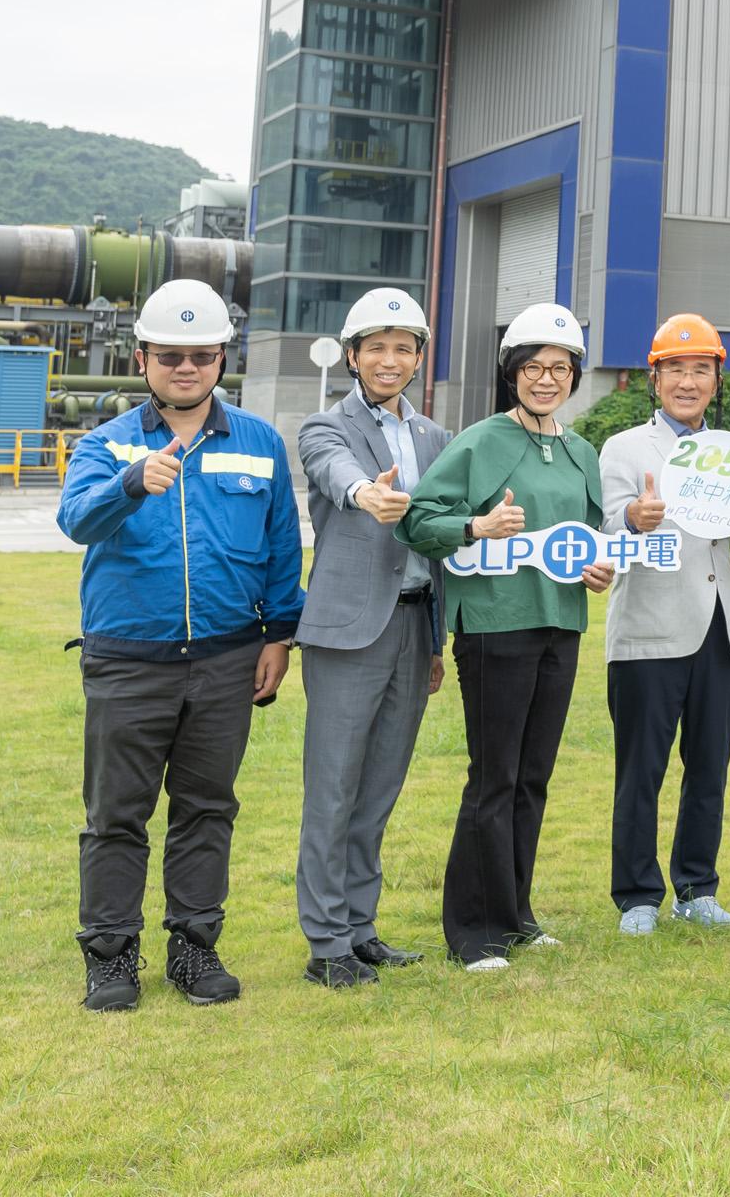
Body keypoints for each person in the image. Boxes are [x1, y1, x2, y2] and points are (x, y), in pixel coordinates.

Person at [57, 279, 302, 1011]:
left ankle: (195, 950)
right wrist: (131, 483)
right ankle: (110, 956)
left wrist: (281, 633)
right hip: (128, 661)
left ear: (223, 357)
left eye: (201, 355)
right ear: (143, 358)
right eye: (170, 356)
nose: (186, 368)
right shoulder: (106, 445)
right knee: (116, 814)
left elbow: (281, 548)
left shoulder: (259, 443)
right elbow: (77, 520)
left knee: (207, 808)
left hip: (229, 659)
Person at [397, 302, 613, 972]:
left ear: (574, 376)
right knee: (494, 779)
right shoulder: (482, 442)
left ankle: (517, 915)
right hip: (495, 626)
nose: (545, 380)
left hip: (561, 624)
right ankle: (473, 932)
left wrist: (600, 568)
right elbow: (419, 520)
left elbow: (591, 540)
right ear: (511, 374)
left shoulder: (581, 452)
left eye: (559, 368)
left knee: (533, 778)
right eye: (532, 368)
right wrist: (475, 528)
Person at [598, 312, 730, 937]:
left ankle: (697, 888)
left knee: (709, 768)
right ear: (655, 378)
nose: (688, 381)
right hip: (649, 628)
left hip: (720, 629)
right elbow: (605, 532)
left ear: (716, 380)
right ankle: (638, 896)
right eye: (676, 368)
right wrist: (632, 518)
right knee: (640, 769)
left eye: (701, 369)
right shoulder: (624, 449)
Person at [292, 286, 450, 990]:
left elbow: (446, 535)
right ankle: (326, 943)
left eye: (404, 347)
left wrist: (439, 640)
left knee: (380, 789)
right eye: (377, 347)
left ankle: (360, 928)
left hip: (415, 626)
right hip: (349, 634)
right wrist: (367, 495)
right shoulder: (324, 428)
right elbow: (338, 477)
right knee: (333, 791)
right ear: (354, 356)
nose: (391, 360)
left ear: (419, 357)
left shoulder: (436, 440)